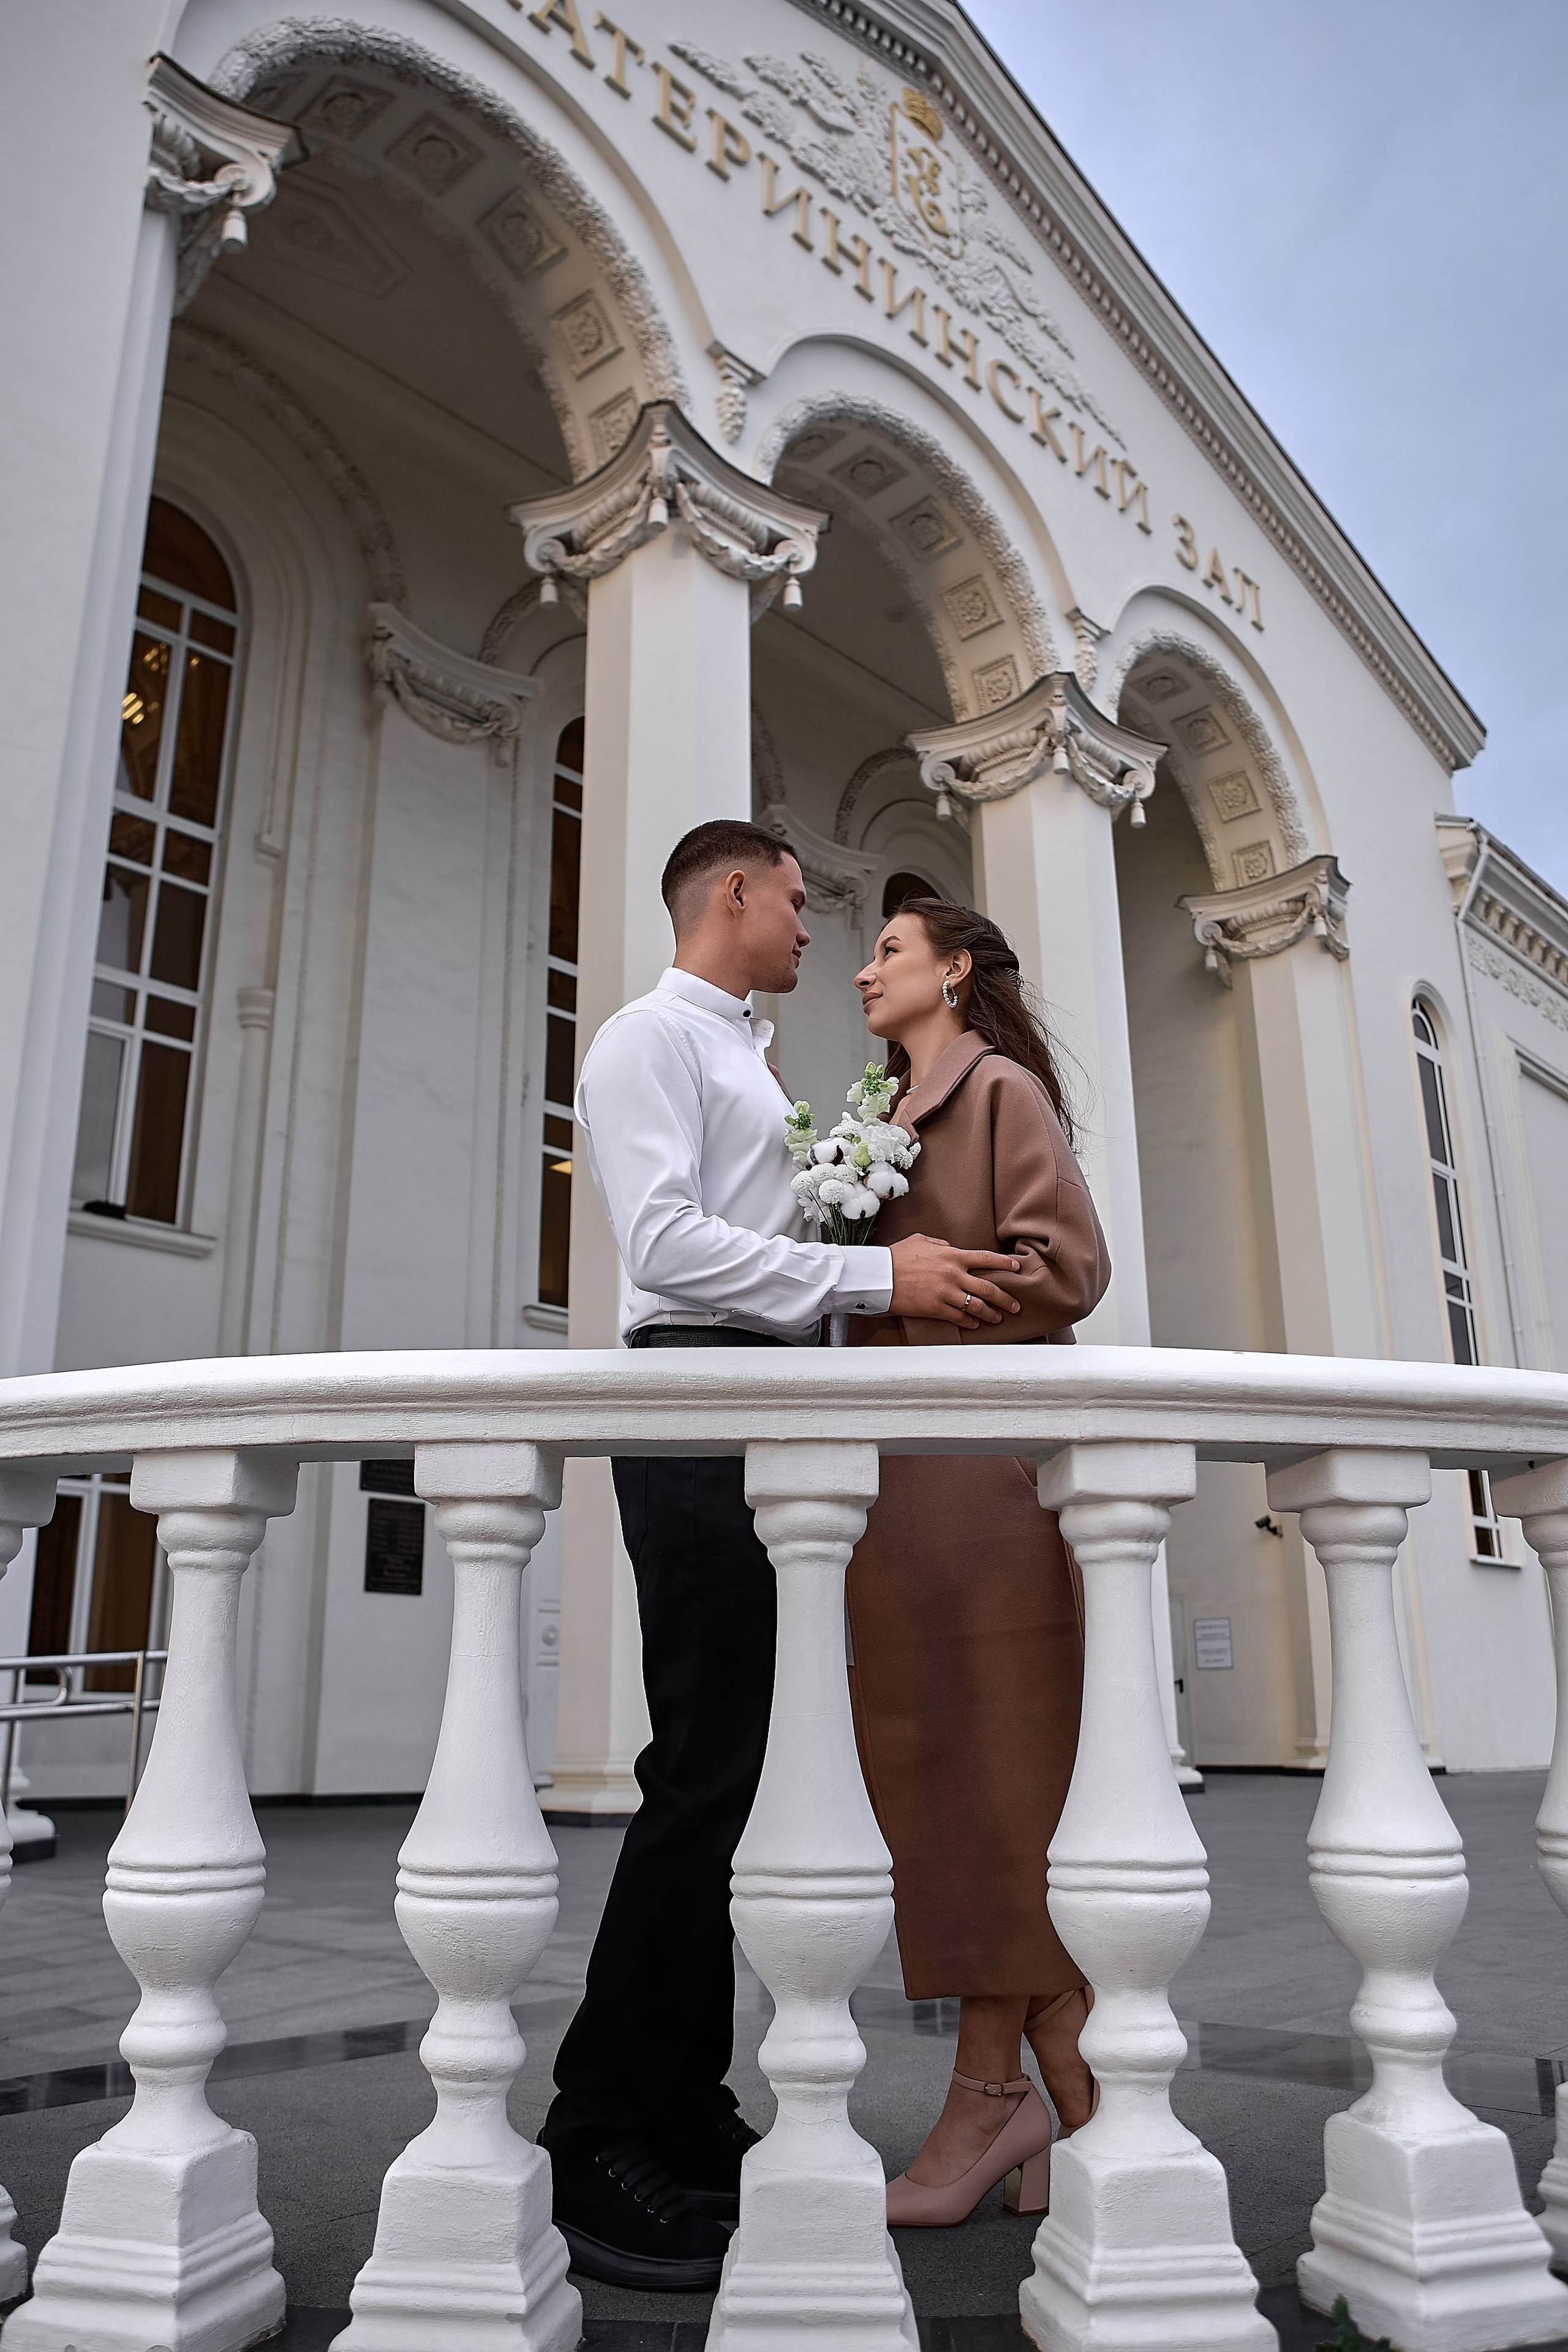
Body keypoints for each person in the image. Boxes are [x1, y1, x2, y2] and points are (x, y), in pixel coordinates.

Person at [540, 824, 1028, 2291]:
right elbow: (672, 1248)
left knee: (736, 1774)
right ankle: (595, 2133)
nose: (814, 929)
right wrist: (881, 1274)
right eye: (799, 902)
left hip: (761, 1418)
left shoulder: (747, 1059)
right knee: (699, 1772)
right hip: (690, 1404)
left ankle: (682, 2107)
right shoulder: (648, 1041)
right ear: (731, 893)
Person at [845, 896, 1112, 2226]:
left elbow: (1065, 1263)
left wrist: (932, 1290)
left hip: (982, 1488)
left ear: (950, 970)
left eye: (886, 951)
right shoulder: (877, 1116)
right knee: (933, 1783)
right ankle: (1065, 2076)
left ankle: (987, 2092)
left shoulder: (995, 1086)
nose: (860, 968)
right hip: (896, 1493)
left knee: (997, 1788)